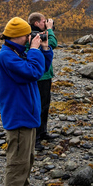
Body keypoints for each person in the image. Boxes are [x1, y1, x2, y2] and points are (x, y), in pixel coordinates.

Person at [0, 17, 53, 186]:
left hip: (27, 116)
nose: (31, 38)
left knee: (27, 159)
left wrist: (44, 50)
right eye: (28, 35)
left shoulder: (17, 53)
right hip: (18, 118)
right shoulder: (7, 57)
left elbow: (41, 70)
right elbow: (33, 71)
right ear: (21, 36)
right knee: (17, 164)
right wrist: (36, 50)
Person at [27, 12, 57, 151]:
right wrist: (50, 29)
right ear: (36, 23)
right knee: (38, 107)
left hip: (45, 76)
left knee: (45, 105)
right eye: (43, 21)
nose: (46, 23)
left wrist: (48, 29)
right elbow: (52, 43)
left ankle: (43, 132)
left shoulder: (39, 33)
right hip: (39, 77)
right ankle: (35, 139)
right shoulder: (33, 35)